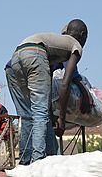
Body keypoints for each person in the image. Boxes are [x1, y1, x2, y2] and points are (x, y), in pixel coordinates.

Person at [5, 20, 87, 164]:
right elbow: (65, 83)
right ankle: (37, 160)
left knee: (27, 115)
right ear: (82, 35)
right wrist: (61, 118)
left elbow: (45, 81)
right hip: (34, 53)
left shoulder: (56, 44)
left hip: (15, 59)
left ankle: (25, 160)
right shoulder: (76, 46)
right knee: (39, 112)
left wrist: (51, 112)